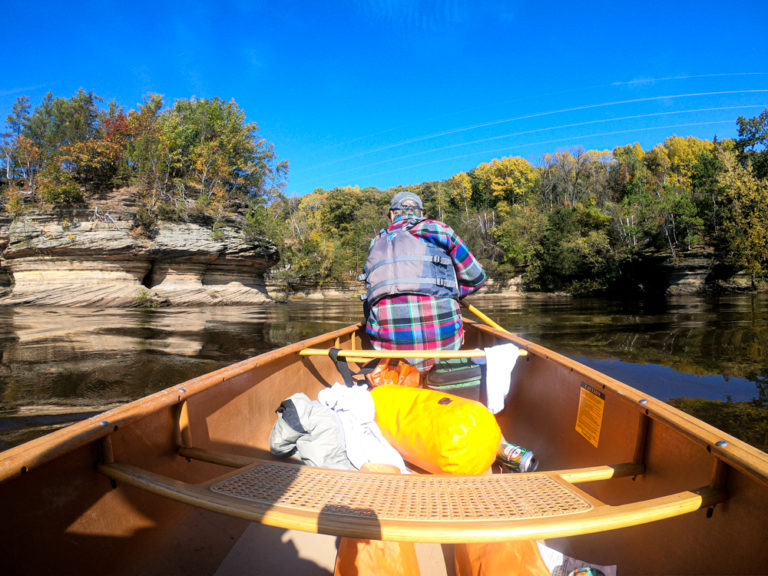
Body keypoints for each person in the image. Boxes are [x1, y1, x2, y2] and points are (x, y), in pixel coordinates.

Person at [361, 191, 486, 372]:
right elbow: (477, 278)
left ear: (392, 215)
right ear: (420, 213)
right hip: (445, 346)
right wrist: (450, 292)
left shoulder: (375, 243)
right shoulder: (439, 229)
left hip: (389, 352)